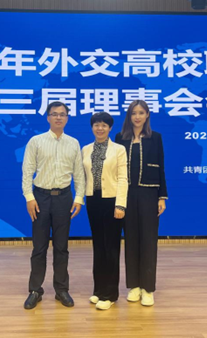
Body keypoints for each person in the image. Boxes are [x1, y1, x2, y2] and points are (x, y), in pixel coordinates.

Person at [22, 101, 86, 310]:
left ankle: (61, 290)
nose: (59, 117)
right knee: (39, 247)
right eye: (54, 114)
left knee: (61, 247)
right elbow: (27, 171)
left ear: (67, 118)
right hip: (40, 198)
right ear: (48, 117)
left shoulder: (73, 143)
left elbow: (79, 174)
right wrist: (29, 197)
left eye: (62, 114)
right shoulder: (36, 141)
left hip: (64, 198)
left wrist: (79, 198)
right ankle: (35, 290)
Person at [115, 100, 168, 307]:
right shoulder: (120, 138)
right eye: (133, 113)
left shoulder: (156, 138)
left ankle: (148, 288)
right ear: (129, 116)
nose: (137, 117)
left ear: (147, 115)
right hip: (126, 194)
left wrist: (162, 197)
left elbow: (161, 167)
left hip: (149, 194)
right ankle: (134, 286)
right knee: (130, 239)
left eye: (141, 113)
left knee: (148, 240)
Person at [82, 112, 128, 310]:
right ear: (92, 127)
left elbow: (123, 178)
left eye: (104, 125)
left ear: (110, 128)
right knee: (98, 246)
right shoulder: (85, 149)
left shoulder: (119, 149)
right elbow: (83, 177)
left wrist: (120, 205)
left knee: (111, 248)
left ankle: (110, 294)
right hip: (93, 200)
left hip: (112, 201)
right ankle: (99, 290)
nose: (99, 128)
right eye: (96, 125)